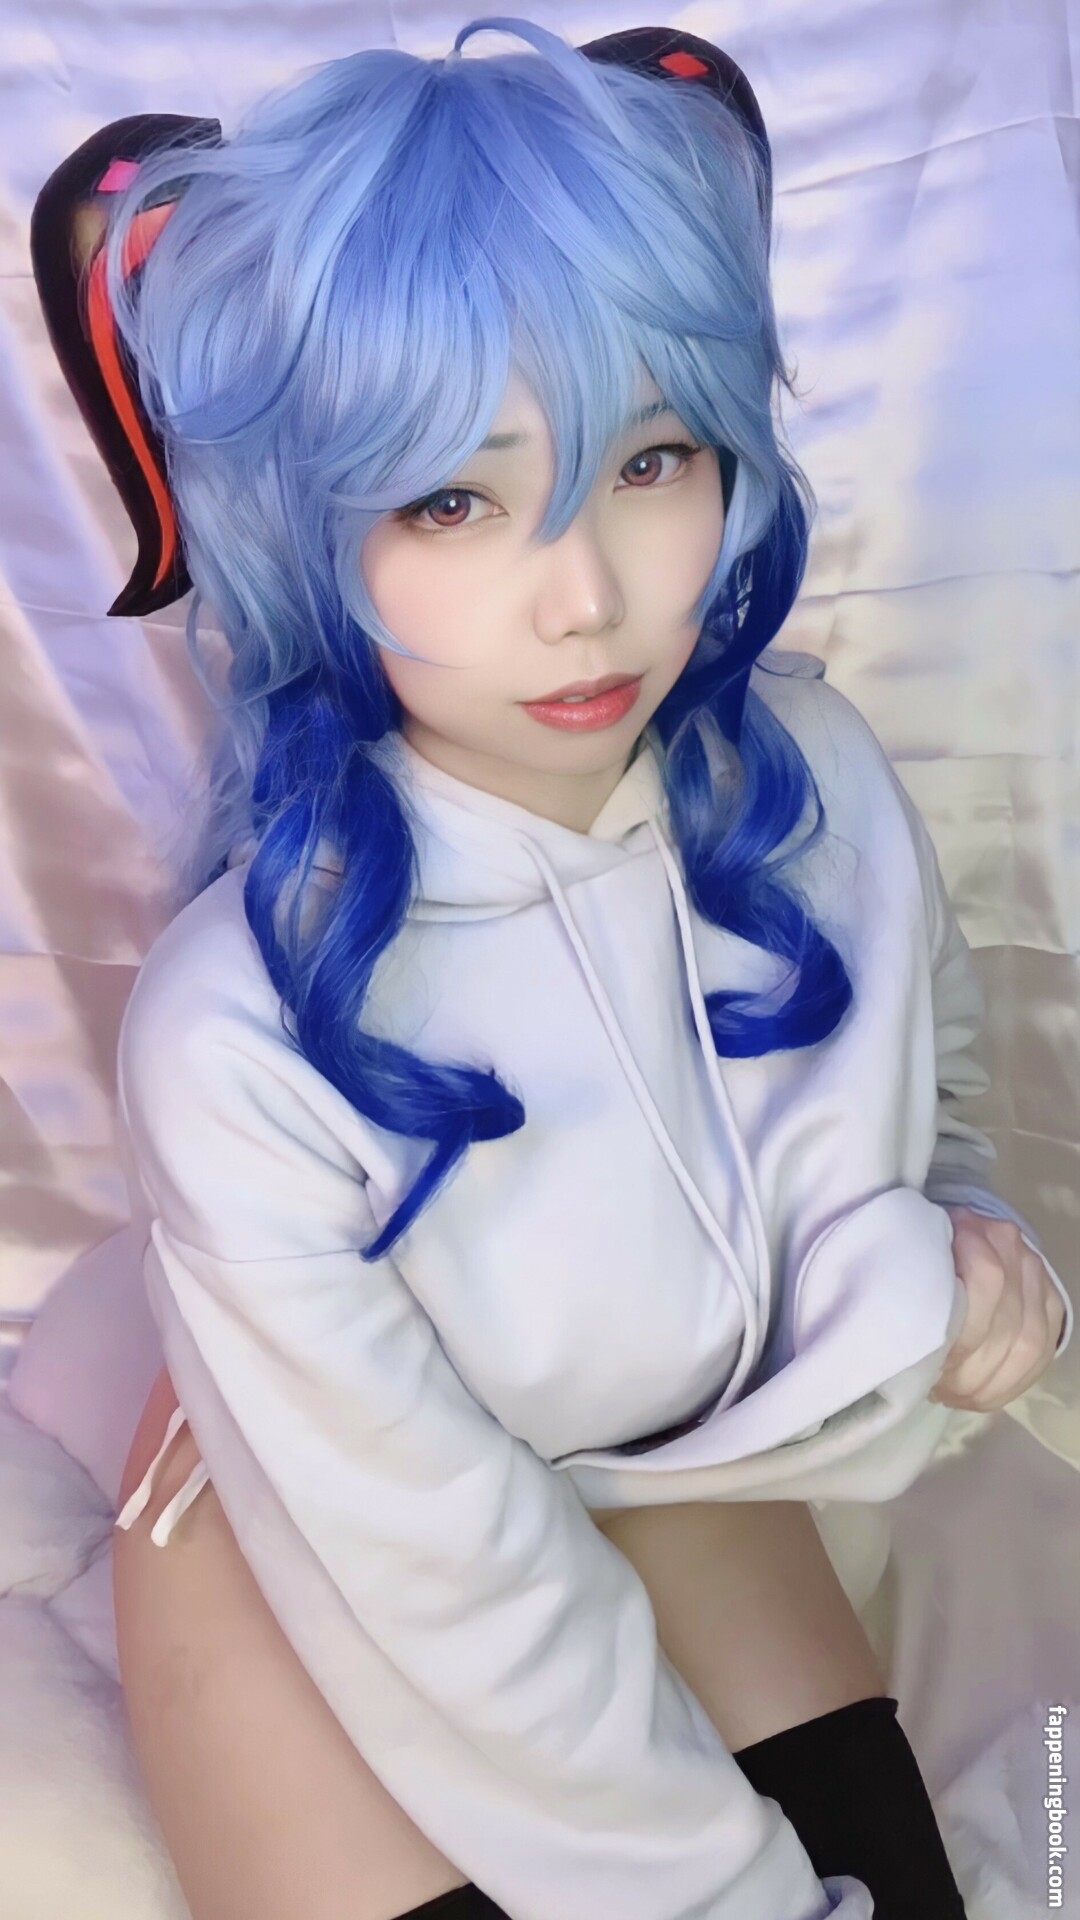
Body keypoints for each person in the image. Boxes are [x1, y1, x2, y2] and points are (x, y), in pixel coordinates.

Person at [32, 18, 1072, 1920]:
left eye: (650, 459)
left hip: (671, 1477)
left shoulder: (821, 781)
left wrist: (979, 1243)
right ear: (300, 524)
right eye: (451, 499)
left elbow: (921, 1101)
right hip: (316, 1543)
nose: (585, 597)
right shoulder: (233, 1033)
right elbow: (454, 1587)